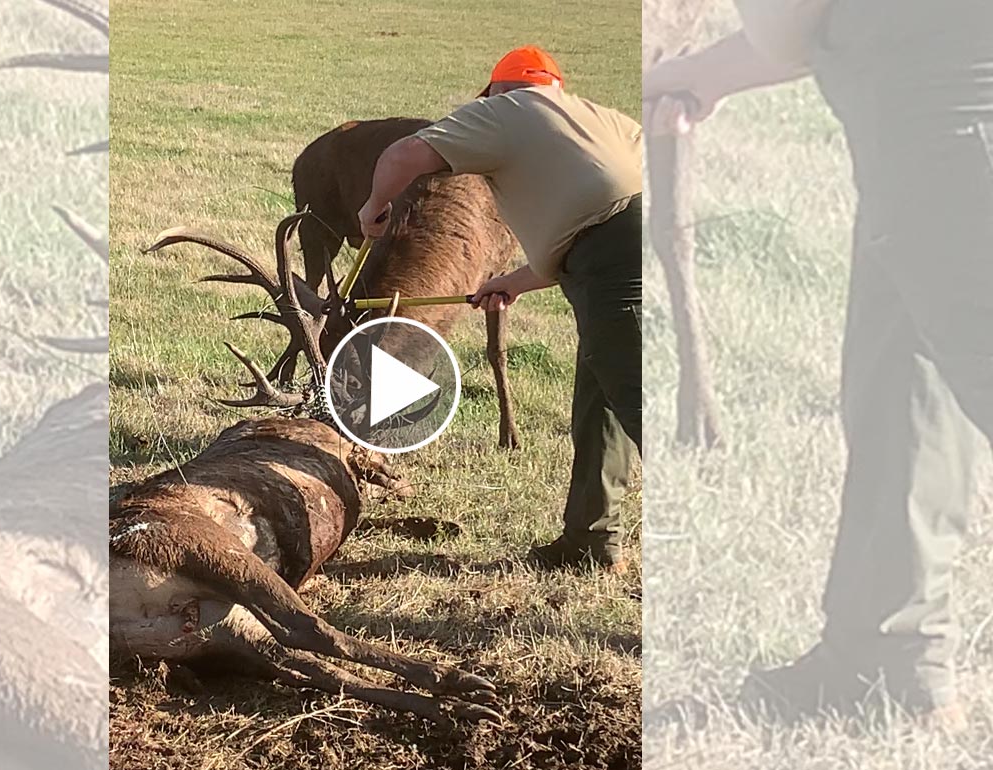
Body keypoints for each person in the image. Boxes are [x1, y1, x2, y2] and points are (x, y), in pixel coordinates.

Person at [645, 0, 993, 731]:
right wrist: (699, 74)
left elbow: (785, 23)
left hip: (955, 139)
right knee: (901, 389)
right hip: (926, 138)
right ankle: (889, 661)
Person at [357, 46, 643, 571]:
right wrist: (514, 281)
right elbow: (599, 222)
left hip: (623, 264)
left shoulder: (506, 111)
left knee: (642, 402)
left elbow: (400, 158)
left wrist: (373, 209)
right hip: (636, 254)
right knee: (601, 404)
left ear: (496, 91)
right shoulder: (603, 121)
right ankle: (591, 543)